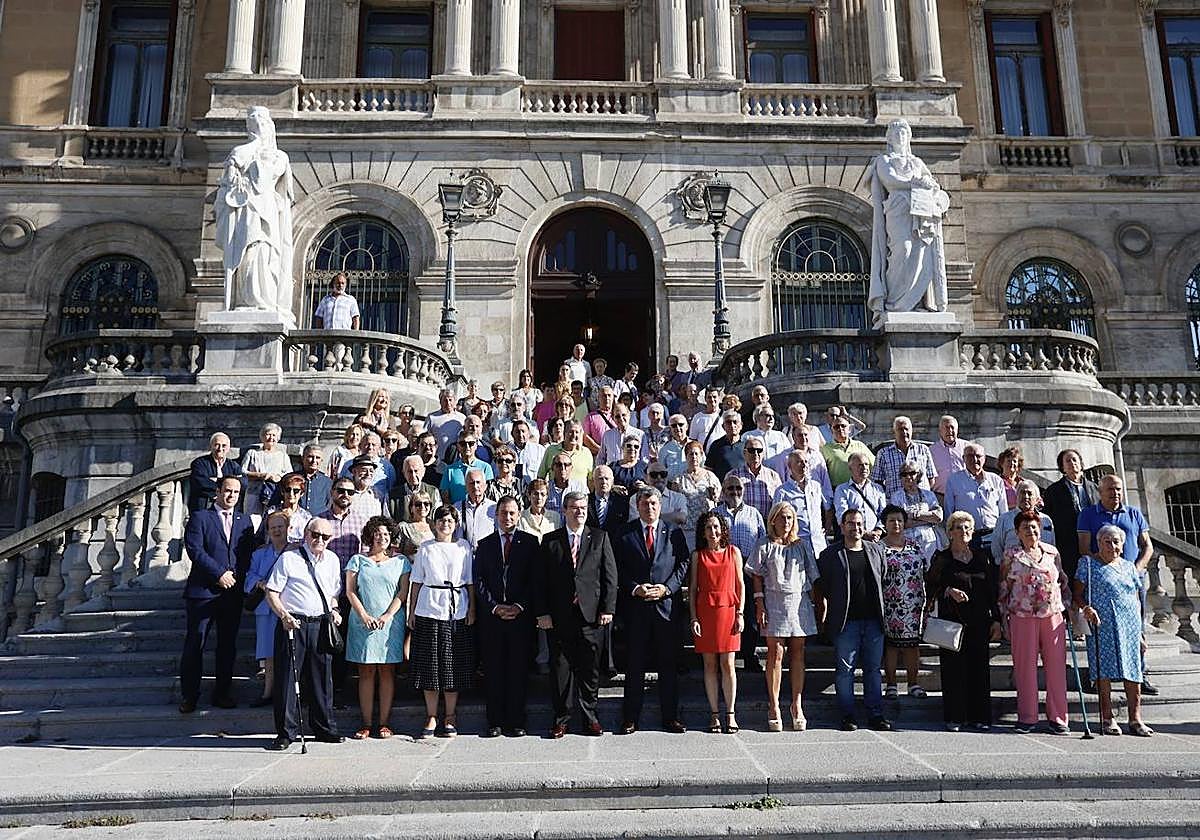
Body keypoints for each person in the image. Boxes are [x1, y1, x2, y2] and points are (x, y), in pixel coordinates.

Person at [537, 491, 617, 737]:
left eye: (583, 507)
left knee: (590, 669)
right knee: (561, 668)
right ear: (564, 510)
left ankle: (590, 717)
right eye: (574, 507)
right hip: (560, 616)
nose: (579, 511)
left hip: (591, 616)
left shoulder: (600, 538)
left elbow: (610, 577)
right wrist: (543, 613)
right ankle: (561, 718)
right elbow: (541, 583)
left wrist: (608, 608)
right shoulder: (550, 540)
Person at [263, 518, 345, 750]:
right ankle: (286, 733)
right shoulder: (289, 558)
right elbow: (272, 592)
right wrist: (283, 615)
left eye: (325, 537)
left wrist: (335, 610)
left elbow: (332, 593)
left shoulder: (332, 560)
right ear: (306, 534)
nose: (319, 540)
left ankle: (324, 728)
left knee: (322, 678)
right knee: (288, 678)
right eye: (315, 534)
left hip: (321, 625)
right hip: (293, 624)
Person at [615, 487, 690, 734]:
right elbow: (617, 568)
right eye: (645, 504)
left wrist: (667, 589)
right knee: (634, 665)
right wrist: (635, 588)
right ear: (637, 506)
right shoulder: (625, 534)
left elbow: (683, 565)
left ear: (660, 506)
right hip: (636, 609)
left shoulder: (674, 534)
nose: (650, 508)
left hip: (666, 609)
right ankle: (630, 718)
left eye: (654, 504)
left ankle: (671, 717)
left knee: (668, 666)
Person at [179, 476, 257, 713]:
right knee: (195, 643)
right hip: (203, 591)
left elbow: (246, 555)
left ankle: (222, 693)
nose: (231, 496)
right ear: (217, 491)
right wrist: (219, 573)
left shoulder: (245, 522)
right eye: (227, 491)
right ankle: (189, 696)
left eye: (235, 492)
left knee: (227, 645)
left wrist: (237, 577)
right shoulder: (200, 517)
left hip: (232, 594)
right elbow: (195, 550)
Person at [1076, 473, 1156, 695]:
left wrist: (1135, 569)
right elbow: (1084, 548)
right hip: (1102, 580)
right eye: (1110, 489)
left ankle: (1140, 673)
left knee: (1136, 627)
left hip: (1132, 579)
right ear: (1100, 492)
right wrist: (1106, 568)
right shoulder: (1088, 515)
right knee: (1103, 630)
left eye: (1119, 489)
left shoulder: (1134, 513)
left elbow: (1147, 546)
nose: (1116, 493)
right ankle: (1100, 678)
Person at [814, 509, 891, 732]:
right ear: (842, 525)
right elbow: (823, 585)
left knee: (873, 670)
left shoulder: (875, 551)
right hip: (846, 622)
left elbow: (882, 577)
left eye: (859, 524)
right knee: (845, 670)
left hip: (874, 621)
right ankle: (848, 715)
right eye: (850, 523)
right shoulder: (830, 555)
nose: (855, 528)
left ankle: (875, 714)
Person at [867, 118, 948, 326]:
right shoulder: (884, 160)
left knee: (921, 254)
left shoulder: (918, 162)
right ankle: (895, 303)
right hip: (898, 209)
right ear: (890, 138)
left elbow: (933, 186)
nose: (900, 137)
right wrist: (915, 182)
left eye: (903, 133)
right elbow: (890, 180)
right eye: (896, 134)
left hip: (920, 212)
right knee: (902, 250)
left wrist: (932, 188)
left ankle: (918, 302)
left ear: (908, 137)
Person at [747, 502, 821, 731]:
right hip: (773, 601)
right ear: (773, 520)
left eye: (789, 518)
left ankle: (796, 705)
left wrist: (820, 601)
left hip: (798, 602)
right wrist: (760, 604)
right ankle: (774, 705)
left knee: (798, 652)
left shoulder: (802, 545)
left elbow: (813, 575)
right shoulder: (764, 545)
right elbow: (756, 575)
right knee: (775, 653)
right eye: (782, 517)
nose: (786, 522)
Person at [1075, 525, 1153, 736]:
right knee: (1103, 673)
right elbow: (1077, 594)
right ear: (1099, 543)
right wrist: (1086, 608)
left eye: (1116, 541)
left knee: (1134, 672)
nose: (1112, 546)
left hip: (1129, 626)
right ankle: (1107, 717)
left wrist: (1140, 633)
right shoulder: (1088, 565)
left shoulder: (1129, 567)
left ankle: (1135, 719)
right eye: (1107, 542)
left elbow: (1136, 599)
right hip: (1102, 625)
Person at [926, 511, 1001, 731]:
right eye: (959, 527)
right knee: (953, 670)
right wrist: (948, 590)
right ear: (949, 532)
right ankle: (955, 717)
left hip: (979, 620)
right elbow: (930, 586)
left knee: (979, 669)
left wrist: (996, 620)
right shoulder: (942, 558)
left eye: (968, 527)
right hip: (952, 621)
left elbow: (991, 591)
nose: (964, 531)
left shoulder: (981, 557)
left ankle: (979, 717)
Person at [407, 504, 476, 738]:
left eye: (450, 520)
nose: (445, 524)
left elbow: (469, 581)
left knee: (452, 665)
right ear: (434, 523)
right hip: (429, 608)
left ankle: (450, 715)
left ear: (456, 524)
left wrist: (472, 609)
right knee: (430, 666)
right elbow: (416, 581)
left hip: (456, 610)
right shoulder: (426, 548)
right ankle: (431, 716)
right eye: (441, 520)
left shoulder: (463, 547)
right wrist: (412, 611)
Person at [999, 511, 1070, 735]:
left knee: (1056, 668)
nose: (1031, 531)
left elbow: (1063, 581)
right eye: (1026, 528)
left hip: (1052, 615)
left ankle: (1058, 717)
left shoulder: (1052, 552)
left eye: (1034, 527)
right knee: (1025, 668)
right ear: (1018, 532)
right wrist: (1002, 617)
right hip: (1022, 616)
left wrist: (1066, 606)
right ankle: (1027, 717)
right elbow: (1003, 586)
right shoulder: (1011, 554)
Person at [474, 496, 539, 737]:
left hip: (520, 618)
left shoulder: (531, 543)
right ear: (496, 515)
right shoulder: (486, 544)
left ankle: (517, 721)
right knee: (494, 671)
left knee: (518, 671)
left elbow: (535, 579)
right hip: (493, 619)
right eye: (503, 513)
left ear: (519, 514)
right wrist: (494, 607)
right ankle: (495, 721)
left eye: (512, 513)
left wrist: (520, 606)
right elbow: (478, 580)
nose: (508, 518)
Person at [345, 515, 410, 740]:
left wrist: (387, 615)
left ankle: (383, 723)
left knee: (387, 671)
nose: (381, 537)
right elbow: (350, 591)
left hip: (390, 623)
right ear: (370, 536)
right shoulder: (357, 560)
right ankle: (365, 723)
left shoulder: (401, 562)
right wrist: (363, 615)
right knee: (365, 671)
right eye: (377, 533)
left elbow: (403, 592)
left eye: (385, 534)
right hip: (362, 622)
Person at [689, 510, 744, 733]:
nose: (712, 532)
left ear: (722, 529)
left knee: (728, 664)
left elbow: (740, 585)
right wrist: (693, 617)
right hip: (705, 612)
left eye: (716, 527)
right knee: (709, 664)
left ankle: (730, 713)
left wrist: (740, 613)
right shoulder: (697, 555)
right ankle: (714, 714)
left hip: (728, 611)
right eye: (708, 528)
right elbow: (693, 589)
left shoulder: (734, 552)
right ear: (703, 532)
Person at [715, 474, 766, 673]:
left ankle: (749, 655)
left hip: (749, 567)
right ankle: (725, 654)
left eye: (738, 488)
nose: (735, 492)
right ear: (723, 490)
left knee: (750, 616)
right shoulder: (716, 513)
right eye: (730, 489)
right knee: (725, 613)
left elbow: (763, 543)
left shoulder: (754, 514)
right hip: (723, 568)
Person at [878, 505, 929, 701]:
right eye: (891, 520)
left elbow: (926, 569)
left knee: (912, 645)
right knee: (890, 646)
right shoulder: (879, 548)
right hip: (889, 604)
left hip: (914, 604)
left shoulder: (915, 545)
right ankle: (891, 685)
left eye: (899, 520)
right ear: (885, 523)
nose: (896, 524)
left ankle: (913, 683)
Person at [246, 511, 289, 707]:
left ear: (287, 528)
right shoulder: (259, 554)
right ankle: (268, 692)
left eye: (280, 526)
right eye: (273, 527)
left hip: (289, 606)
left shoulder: (295, 551)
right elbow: (249, 577)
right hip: (265, 607)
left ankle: (289, 693)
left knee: (290, 651)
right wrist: (260, 583)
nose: (277, 530)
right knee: (269, 652)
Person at [1042, 448, 1098, 582]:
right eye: (1067, 461)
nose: (1072, 463)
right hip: (1068, 545)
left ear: (1080, 463)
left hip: (1094, 543)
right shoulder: (1054, 491)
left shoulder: (1095, 488)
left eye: (1074, 459)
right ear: (1062, 467)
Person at [943, 443, 1007, 550]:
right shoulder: (954, 480)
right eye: (970, 456)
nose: (975, 459)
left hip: (994, 535)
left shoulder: (996, 480)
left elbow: (1003, 510)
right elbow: (949, 511)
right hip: (968, 536)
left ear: (984, 458)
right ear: (963, 458)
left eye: (978, 456)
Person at [772, 450, 828, 557]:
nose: (804, 465)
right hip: (796, 545)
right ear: (789, 465)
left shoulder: (816, 486)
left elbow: (822, 511)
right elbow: (777, 520)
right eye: (799, 462)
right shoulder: (782, 491)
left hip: (819, 545)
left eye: (806, 462)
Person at [670, 441, 722, 554]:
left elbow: (719, 498)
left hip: (707, 529)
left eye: (696, 454)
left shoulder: (710, 477)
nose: (694, 457)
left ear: (701, 455)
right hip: (687, 528)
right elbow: (673, 505)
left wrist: (714, 494)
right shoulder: (678, 480)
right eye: (690, 454)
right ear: (686, 456)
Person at [992, 480, 1056, 563]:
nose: (1026, 496)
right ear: (1017, 496)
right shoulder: (1004, 519)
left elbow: (1052, 546)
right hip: (1013, 570)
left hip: (1042, 568)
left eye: (1029, 493)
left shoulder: (1046, 520)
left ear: (1037, 499)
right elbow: (996, 549)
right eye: (1022, 493)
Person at [872, 416, 936, 498]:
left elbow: (931, 478)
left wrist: (923, 495)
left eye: (906, 429)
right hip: (895, 505)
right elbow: (877, 482)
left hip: (921, 503)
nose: (904, 432)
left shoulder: (923, 450)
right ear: (894, 432)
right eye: (900, 429)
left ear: (912, 431)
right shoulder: (883, 454)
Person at [889, 465, 943, 563]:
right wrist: (927, 520)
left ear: (918, 475)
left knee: (931, 571)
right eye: (904, 474)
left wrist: (915, 515)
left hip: (929, 541)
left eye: (912, 473)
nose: (908, 477)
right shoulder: (896, 497)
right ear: (900, 478)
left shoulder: (929, 494)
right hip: (907, 543)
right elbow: (900, 524)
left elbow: (938, 517)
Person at [833, 452, 887, 540]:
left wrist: (878, 531)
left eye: (866, 464)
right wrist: (864, 533)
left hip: (876, 538)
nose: (865, 468)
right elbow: (842, 516)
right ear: (850, 468)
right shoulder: (842, 490)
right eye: (860, 465)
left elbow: (884, 513)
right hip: (853, 537)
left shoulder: (878, 488)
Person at [728, 436, 782, 520]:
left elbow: (779, 503)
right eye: (752, 450)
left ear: (763, 453)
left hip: (767, 523)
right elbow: (725, 501)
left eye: (759, 450)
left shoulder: (773, 476)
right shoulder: (733, 475)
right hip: (742, 523)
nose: (756, 454)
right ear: (744, 453)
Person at [188, 432, 244, 513]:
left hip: (227, 508)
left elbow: (243, 482)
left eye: (224, 446)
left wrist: (216, 481)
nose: (220, 449)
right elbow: (201, 483)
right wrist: (225, 488)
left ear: (228, 448)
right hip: (204, 506)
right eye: (217, 445)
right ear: (211, 447)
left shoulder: (234, 466)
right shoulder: (199, 463)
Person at [441, 431, 495, 504]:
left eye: (471, 443)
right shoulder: (449, 470)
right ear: (458, 446)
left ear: (476, 445)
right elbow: (445, 496)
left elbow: (489, 494)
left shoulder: (485, 467)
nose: (467, 447)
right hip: (457, 512)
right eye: (463, 444)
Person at [820, 415, 873, 489]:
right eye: (836, 427)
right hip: (836, 490)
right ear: (832, 431)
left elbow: (874, 464)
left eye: (843, 426)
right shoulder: (825, 449)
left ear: (849, 429)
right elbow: (821, 473)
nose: (840, 429)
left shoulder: (860, 445)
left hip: (860, 488)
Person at [391, 454, 441, 523]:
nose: (413, 475)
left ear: (423, 471)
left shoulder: (433, 492)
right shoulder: (392, 496)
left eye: (416, 471)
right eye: (410, 471)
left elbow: (438, 518)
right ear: (404, 473)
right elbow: (388, 523)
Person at [456, 468, 497, 549]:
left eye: (478, 482)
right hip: (462, 555)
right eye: (471, 483)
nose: (475, 486)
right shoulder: (456, 508)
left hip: (486, 555)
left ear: (485, 486)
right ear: (466, 487)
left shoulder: (494, 508)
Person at [269, 471, 313, 543]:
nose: (291, 494)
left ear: (301, 493)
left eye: (296, 491)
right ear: (282, 492)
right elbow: (262, 537)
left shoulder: (306, 517)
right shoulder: (271, 512)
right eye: (288, 490)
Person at [930, 414, 969, 497]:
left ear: (957, 430)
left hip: (963, 495)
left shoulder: (967, 447)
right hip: (940, 496)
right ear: (940, 431)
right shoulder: (931, 450)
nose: (950, 431)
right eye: (946, 428)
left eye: (952, 427)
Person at [588, 465, 630, 535]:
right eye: (600, 478)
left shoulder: (621, 502)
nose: (604, 482)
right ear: (593, 481)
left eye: (607, 478)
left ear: (612, 481)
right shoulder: (585, 501)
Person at [426, 388, 466, 459]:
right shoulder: (432, 417)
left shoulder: (462, 418)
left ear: (455, 401)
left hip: (457, 459)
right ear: (440, 402)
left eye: (450, 400)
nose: (448, 403)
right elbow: (425, 437)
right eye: (445, 400)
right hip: (437, 458)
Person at [705, 410, 745, 479]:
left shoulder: (747, 445)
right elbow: (709, 469)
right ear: (723, 426)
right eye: (729, 422)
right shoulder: (716, 445)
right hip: (722, 487)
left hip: (743, 486)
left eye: (735, 422)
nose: (732, 425)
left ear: (741, 425)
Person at [296, 444, 332, 515]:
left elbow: (330, 505)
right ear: (303, 458)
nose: (314, 460)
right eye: (310, 457)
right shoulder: (293, 478)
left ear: (321, 460)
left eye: (317, 457)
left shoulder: (327, 482)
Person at [395, 490, 434, 556]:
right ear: (411, 508)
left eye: (426, 504)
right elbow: (395, 551)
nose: (422, 507)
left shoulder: (435, 526)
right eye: (418, 504)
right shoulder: (404, 527)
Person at [508, 418, 546, 483]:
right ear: (512, 434)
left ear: (529, 433)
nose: (520, 435)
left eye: (523, 431)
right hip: (512, 490)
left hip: (532, 490)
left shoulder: (540, 450)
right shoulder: (506, 451)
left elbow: (546, 472)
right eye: (517, 432)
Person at [582, 385, 617, 455]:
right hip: (597, 455)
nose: (607, 398)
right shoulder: (590, 417)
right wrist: (600, 450)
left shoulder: (619, 416)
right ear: (598, 398)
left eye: (609, 395)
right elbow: (585, 438)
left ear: (613, 398)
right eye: (604, 395)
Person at [659, 414, 691, 479]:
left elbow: (702, 467)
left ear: (687, 427)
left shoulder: (696, 446)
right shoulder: (664, 449)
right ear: (670, 429)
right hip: (671, 487)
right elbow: (661, 471)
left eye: (681, 424)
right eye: (674, 426)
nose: (677, 428)